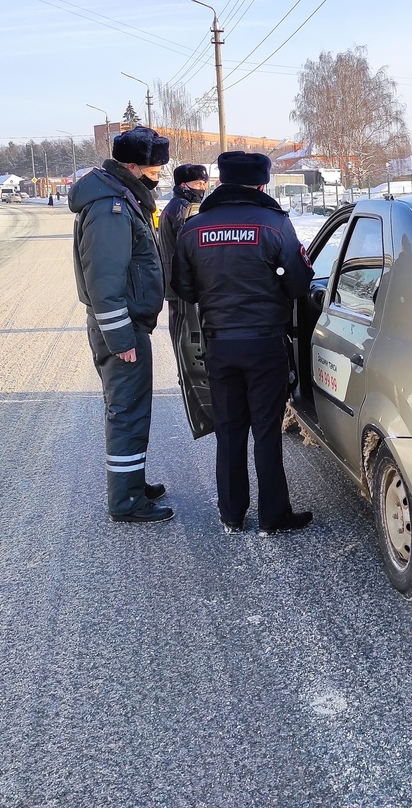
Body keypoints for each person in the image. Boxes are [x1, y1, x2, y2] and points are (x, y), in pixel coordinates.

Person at [172, 151, 314, 536]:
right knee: (266, 430)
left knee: (230, 430)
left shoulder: (192, 228)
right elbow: (300, 284)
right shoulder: (274, 224)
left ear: (221, 182)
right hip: (265, 343)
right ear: (262, 184)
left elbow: (183, 289)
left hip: (219, 344)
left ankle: (232, 514)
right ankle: (273, 516)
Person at [68, 126, 173, 524]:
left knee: (131, 408)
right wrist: (120, 337)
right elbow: (104, 281)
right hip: (122, 327)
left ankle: (132, 483)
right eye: (154, 167)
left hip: (129, 324)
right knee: (126, 411)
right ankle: (126, 501)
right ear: (133, 166)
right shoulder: (110, 207)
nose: (159, 174)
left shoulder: (124, 197)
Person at [158, 163, 210, 347]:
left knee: (182, 334)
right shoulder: (184, 208)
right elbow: (192, 247)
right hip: (182, 284)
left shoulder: (175, 205)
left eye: (204, 183)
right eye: (197, 183)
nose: (202, 188)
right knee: (189, 341)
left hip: (176, 282)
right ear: (183, 185)